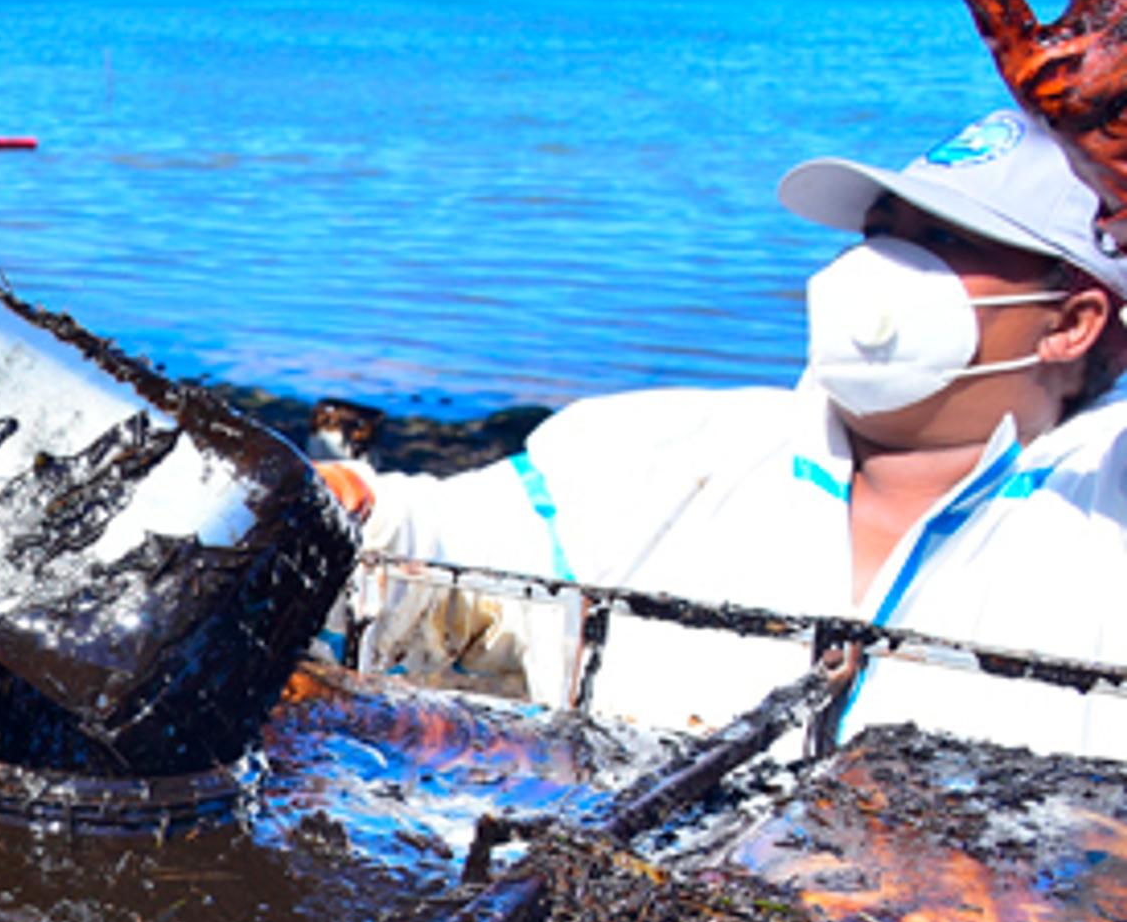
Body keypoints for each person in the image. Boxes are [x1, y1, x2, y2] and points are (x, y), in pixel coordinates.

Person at [323, 107, 1127, 761]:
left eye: (941, 241)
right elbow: (425, 545)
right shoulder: (668, 450)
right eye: (878, 234)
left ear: (1072, 322)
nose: (878, 266)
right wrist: (327, 498)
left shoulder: (1105, 501)